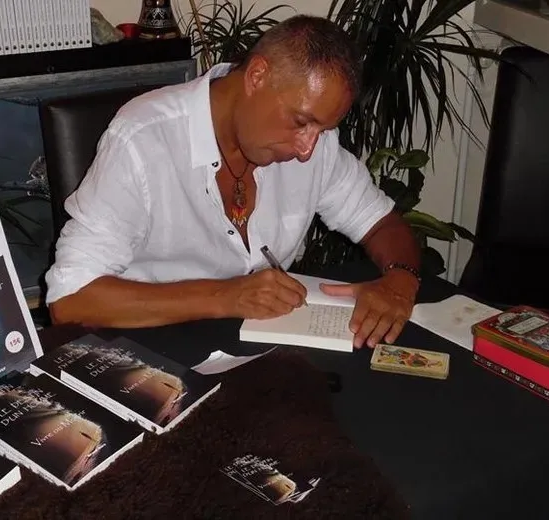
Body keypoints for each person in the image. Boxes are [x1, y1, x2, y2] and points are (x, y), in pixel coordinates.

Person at [44, 15, 422, 349]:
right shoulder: (143, 138)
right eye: (300, 122)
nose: (308, 149)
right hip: (147, 349)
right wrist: (226, 297)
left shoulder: (316, 146)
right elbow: (71, 299)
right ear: (257, 76)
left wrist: (400, 282)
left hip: (255, 353)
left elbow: (381, 224)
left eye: (322, 129)